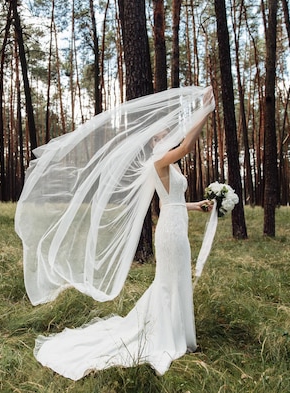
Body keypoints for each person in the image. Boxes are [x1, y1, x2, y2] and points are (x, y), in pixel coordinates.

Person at [30, 104, 214, 380]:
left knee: (176, 279)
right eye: (160, 136)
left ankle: (177, 329)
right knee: (168, 281)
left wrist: (196, 205)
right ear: (154, 141)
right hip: (170, 232)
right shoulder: (157, 161)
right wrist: (204, 112)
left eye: (166, 135)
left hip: (176, 224)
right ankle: (164, 333)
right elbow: (187, 146)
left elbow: (170, 204)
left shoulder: (170, 165)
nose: (165, 138)